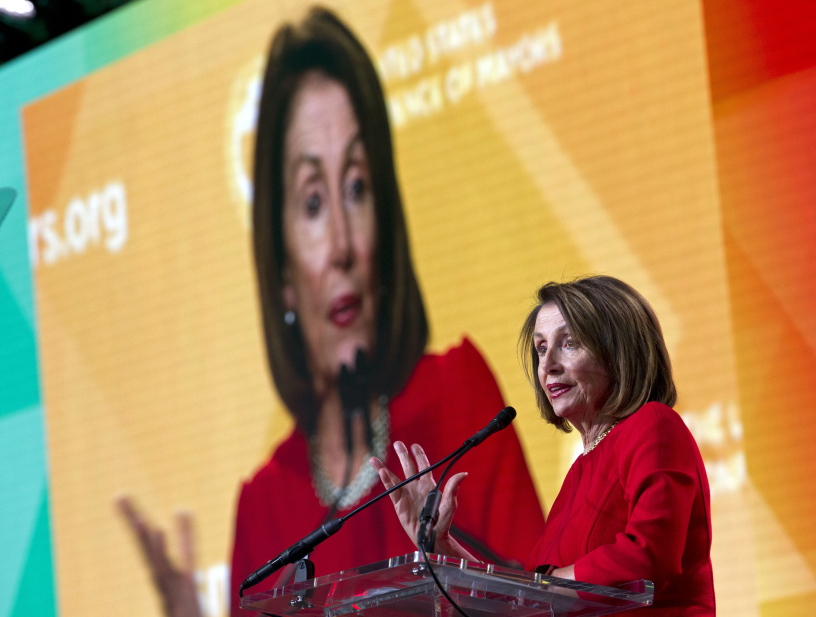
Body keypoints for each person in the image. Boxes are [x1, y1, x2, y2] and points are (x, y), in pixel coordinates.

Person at [118, 8, 544, 617]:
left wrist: (453, 567)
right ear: (282, 267)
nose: (342, 244)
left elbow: (540, 601)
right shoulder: (265, 504)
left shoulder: (459, 399)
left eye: (357, 187)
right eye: (313, 202)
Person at [371, 276, 716, 616]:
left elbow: (649, 553)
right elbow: (523, 599)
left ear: (617, 352)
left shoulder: (653, 424)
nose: (547, 365)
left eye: (568, 343)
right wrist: (440, 543)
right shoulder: (578, 475)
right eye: (541, 348)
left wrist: (544, 587)